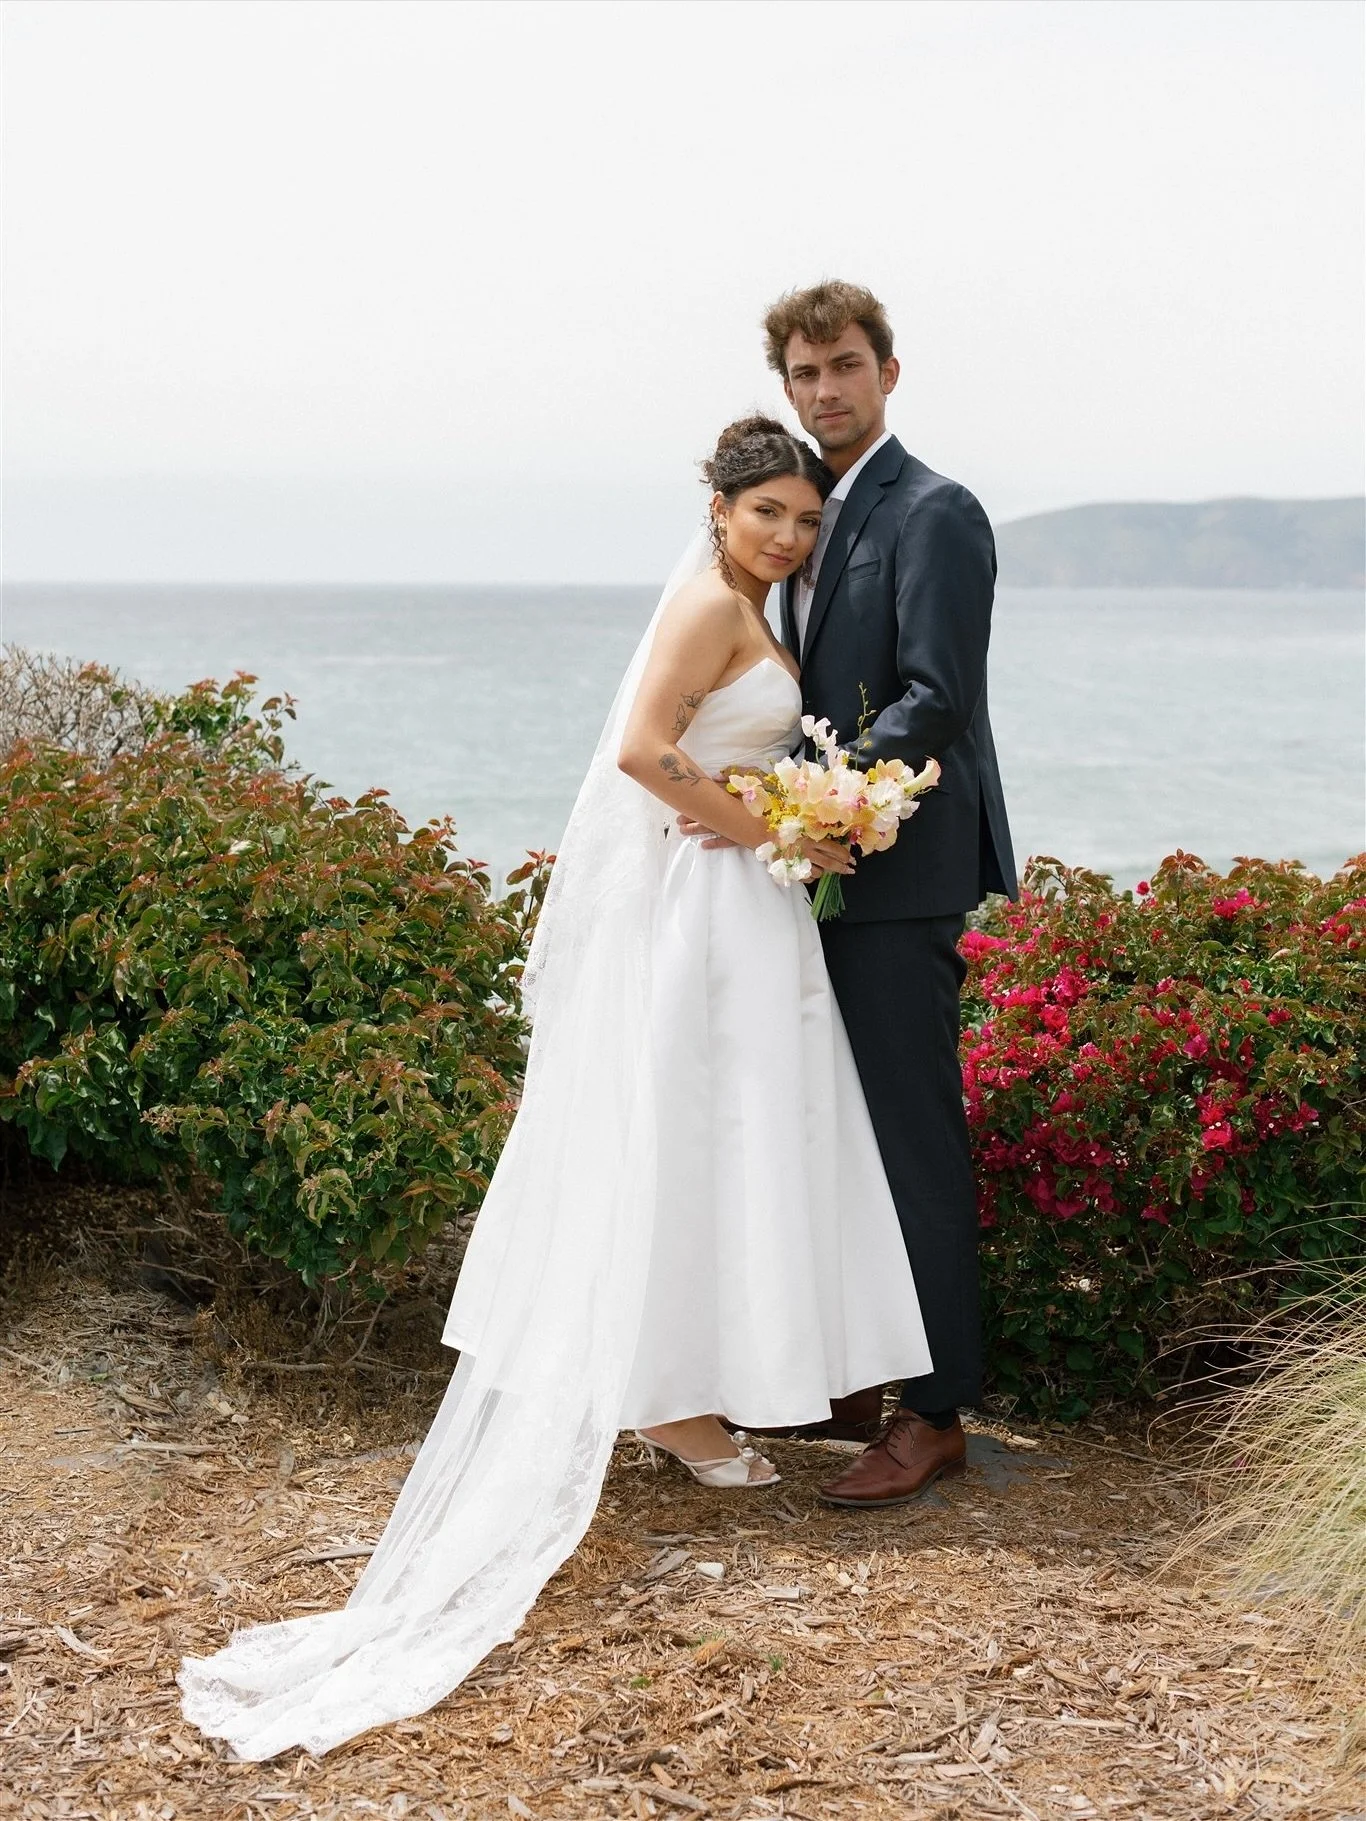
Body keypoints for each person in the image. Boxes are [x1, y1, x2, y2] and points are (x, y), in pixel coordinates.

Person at [177, 416, 932, 1761]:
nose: (788, 536)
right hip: (707, 904)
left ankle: (683, 1381)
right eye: (767, 512)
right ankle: (666, 1399)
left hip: (737, 907)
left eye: (805, 519)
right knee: (695, 1132)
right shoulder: (710, 607)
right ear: (714, 509)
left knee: (729, 1139)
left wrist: (804, 816)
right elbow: (647, 756)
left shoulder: (747, 607)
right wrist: (785, 827)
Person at [686, 281, 1016, 1509]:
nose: (824, 390)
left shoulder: (934, 512)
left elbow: (934, 698)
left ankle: (935, 1413)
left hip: (892, 873)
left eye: (844, 366)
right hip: (808, 875)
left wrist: (797, 811)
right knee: (826, 1130)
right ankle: (852, 1378)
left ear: (887, 370)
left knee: (909, 1138)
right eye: (804, 374)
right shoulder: (803, 519)